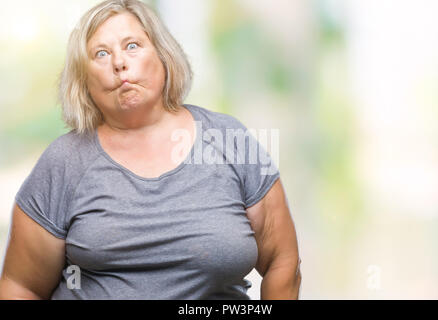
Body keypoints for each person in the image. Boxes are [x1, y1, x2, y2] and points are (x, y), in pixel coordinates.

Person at [0, 0, 301, 300]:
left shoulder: (230, 140)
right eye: (101, 54)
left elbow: (282, 261)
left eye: (132, 46)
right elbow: (20, 286)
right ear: (85, 80)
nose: (119, 63)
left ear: (163, 55)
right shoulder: (64, 162)